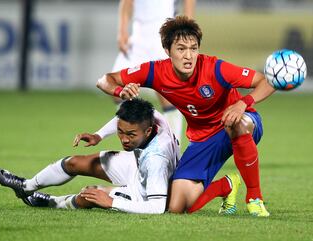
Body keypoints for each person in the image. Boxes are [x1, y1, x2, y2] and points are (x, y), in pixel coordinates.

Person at [96, 16, 275, 216]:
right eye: (181, 49)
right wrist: (120, 92)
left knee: (237, 123)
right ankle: (226, 186)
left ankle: (254, 198)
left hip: (241, 122)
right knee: (176, 207)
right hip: (203, 138)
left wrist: (243, 103)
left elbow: (266, 81)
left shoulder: (215, 68)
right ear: (167, 51)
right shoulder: (155, 71)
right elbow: (105, 80)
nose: (189, 56)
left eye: (193, 48)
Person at [0, 98, 180, 214]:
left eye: (130, 134)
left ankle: (52, 202)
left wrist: (111, 202)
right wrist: (98, 135)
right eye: (120, 132)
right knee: (75, 162)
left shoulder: (157, 159)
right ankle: (26, 186)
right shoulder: (149, 115)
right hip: (137, 165)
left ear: (148, 131)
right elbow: (121, 118)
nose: (123, 139)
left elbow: (156, 208)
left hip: (144, 192)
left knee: (89, 194)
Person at [111, 0, 196, 142]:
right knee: (116, 87)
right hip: (139, 35)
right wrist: (122, 30)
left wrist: (187, 28)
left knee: (168, 94)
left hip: (164, 31)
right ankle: (137, 141)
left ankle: (172, 148)